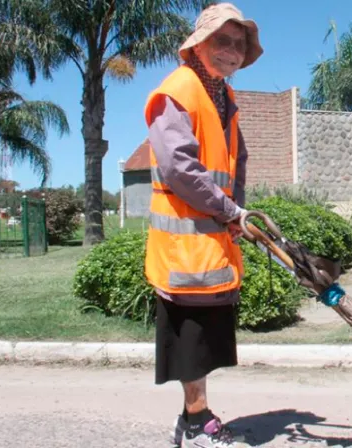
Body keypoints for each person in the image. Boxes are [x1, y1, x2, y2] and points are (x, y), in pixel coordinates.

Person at [142, 3, 263, 447]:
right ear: (199, 44)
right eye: (223, 41)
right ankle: (197, 425)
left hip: (213, 243)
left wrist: (239, 214)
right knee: (189, 339)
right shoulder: (177, 92)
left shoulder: (224, 99)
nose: (232, 51)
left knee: (206, 339)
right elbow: (179, 168)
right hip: (184, 245)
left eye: (238, 44)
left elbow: (237, 163)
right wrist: (229, 212)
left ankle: (195, 418)